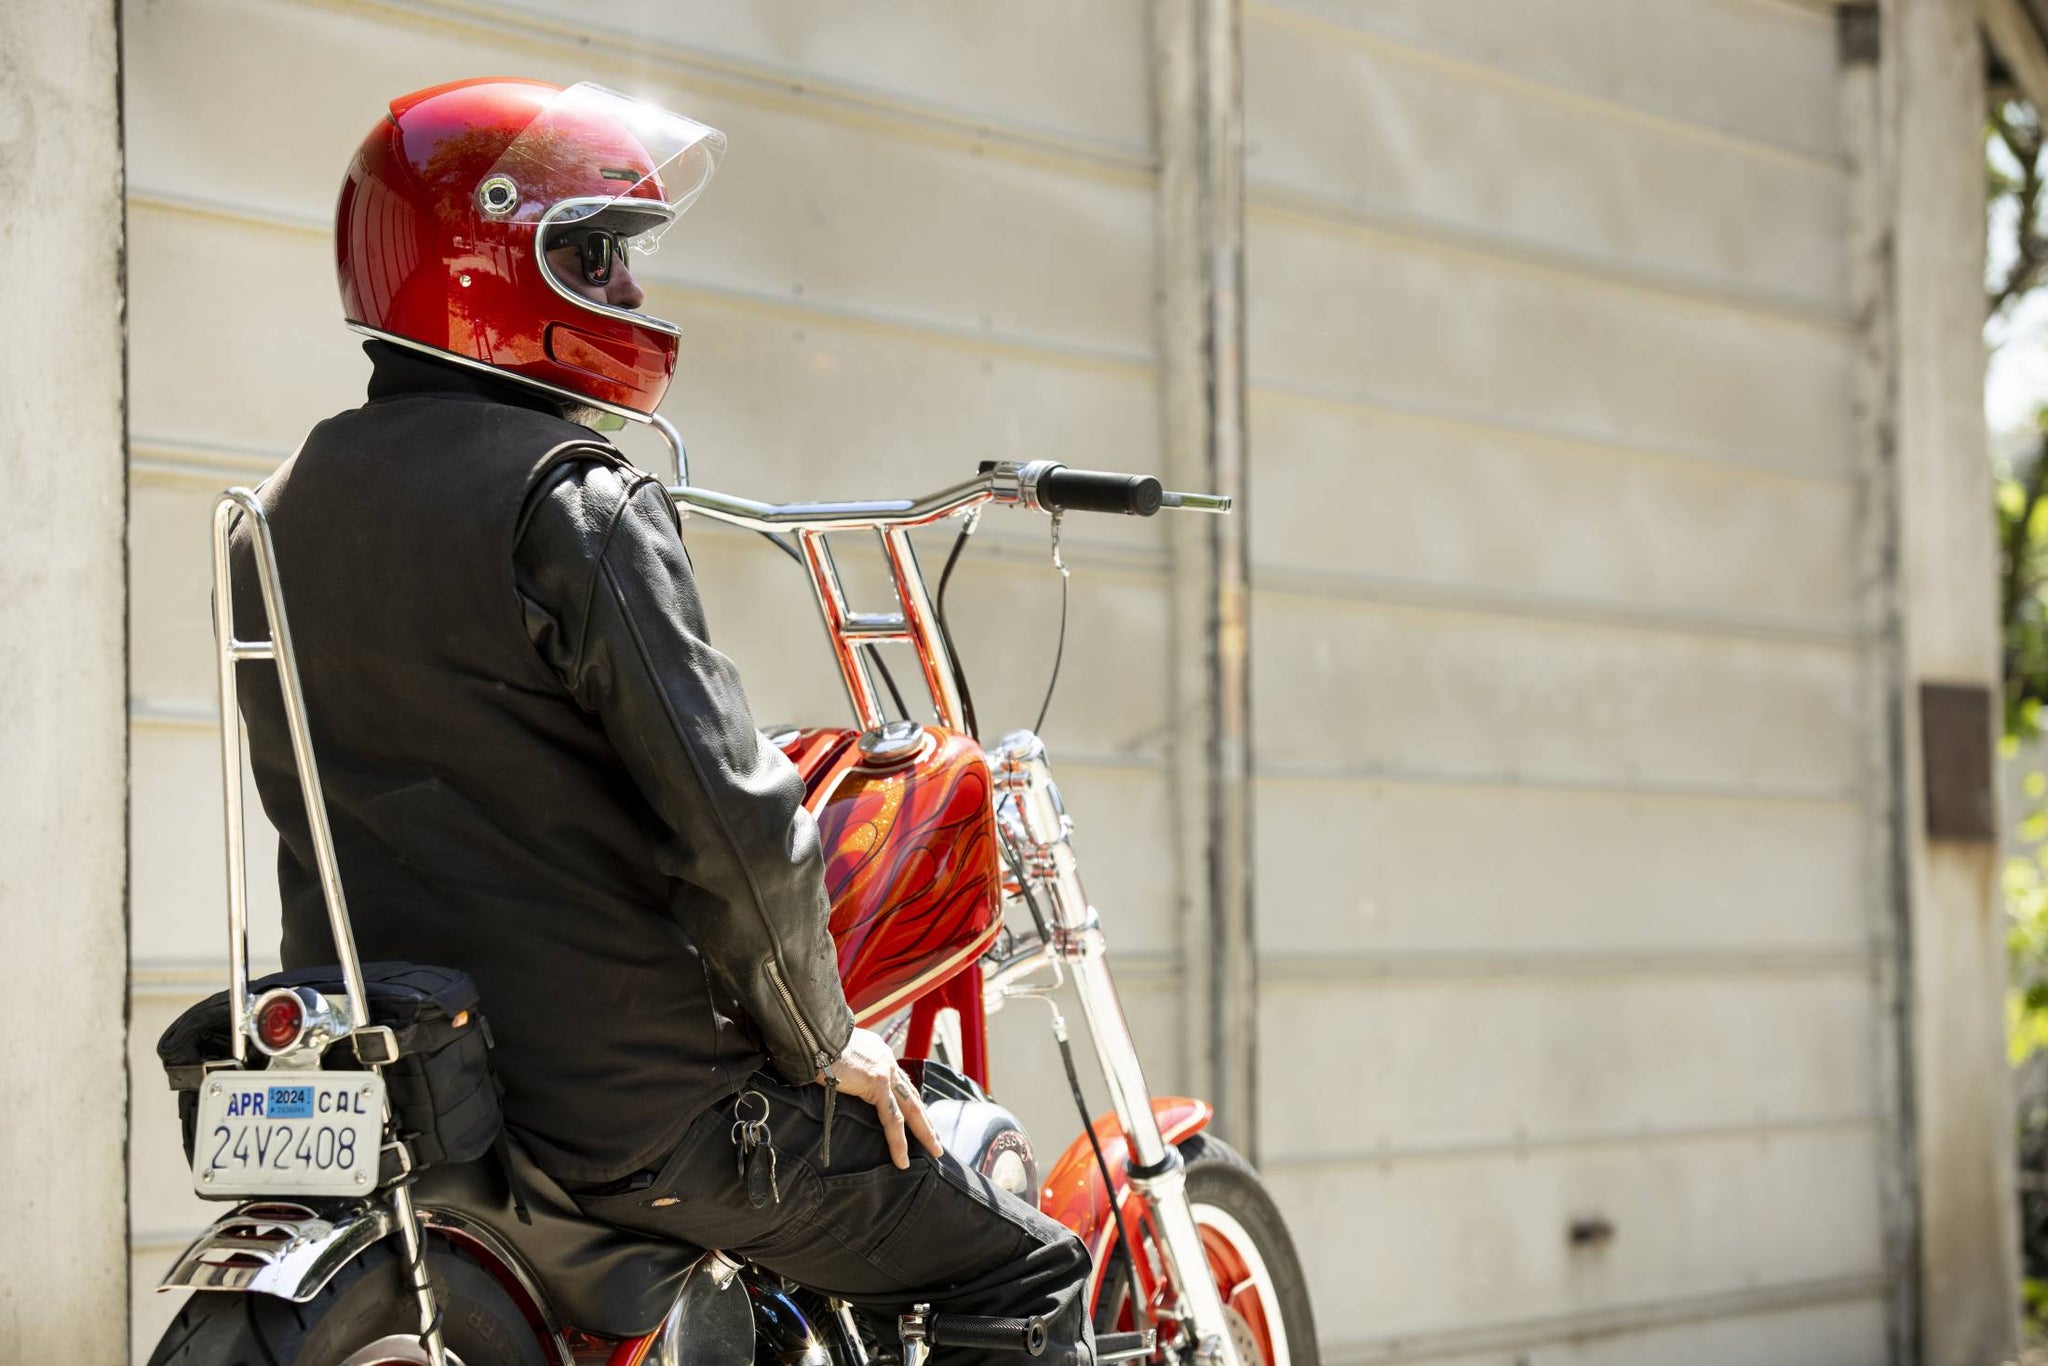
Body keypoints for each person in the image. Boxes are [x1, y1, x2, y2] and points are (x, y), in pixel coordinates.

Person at [230, 77, 1092, 1363]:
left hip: (409, 1082)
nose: (627, 293)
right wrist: (826, 1034)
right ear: (499, 265)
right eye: (595, 255)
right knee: (1019, 1264)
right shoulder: (571, 501)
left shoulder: (280, 508)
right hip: (623, 1111)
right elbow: (734, 827)